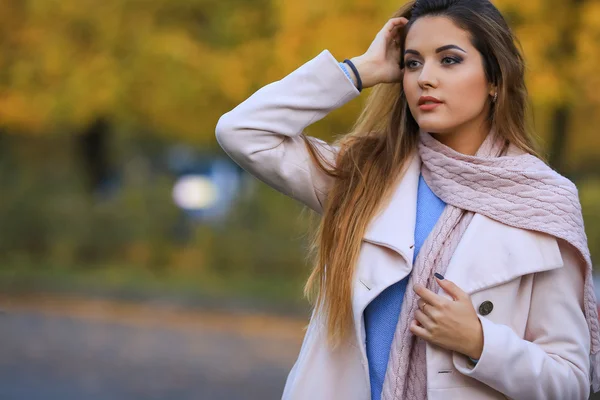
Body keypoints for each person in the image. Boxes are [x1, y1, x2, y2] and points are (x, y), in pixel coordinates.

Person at [215, 0, 599, 399]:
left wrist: (480, 342)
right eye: (413, 63)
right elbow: (243, 132)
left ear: (494, 79)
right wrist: (359, 70)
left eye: (449, 60)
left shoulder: (541, 201)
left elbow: (570, 381)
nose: (424, 79)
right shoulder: (366, 175)